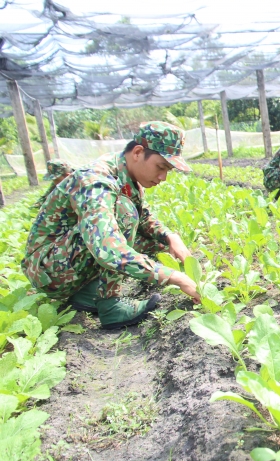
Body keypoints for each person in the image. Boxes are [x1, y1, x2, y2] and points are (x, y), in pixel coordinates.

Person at [22, 122, 201, 329]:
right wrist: (174, 278)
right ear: (138, 152)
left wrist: (169, 236)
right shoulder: (96, 180)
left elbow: (144, 218)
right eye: (160, 167)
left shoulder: (125, 174)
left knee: (159, 245)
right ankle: (111, 305)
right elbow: (107, 247)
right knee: (124, 213)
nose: (163, 177)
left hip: (64, 261)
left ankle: (88, 293)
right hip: (48, 270)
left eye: (168, 170)